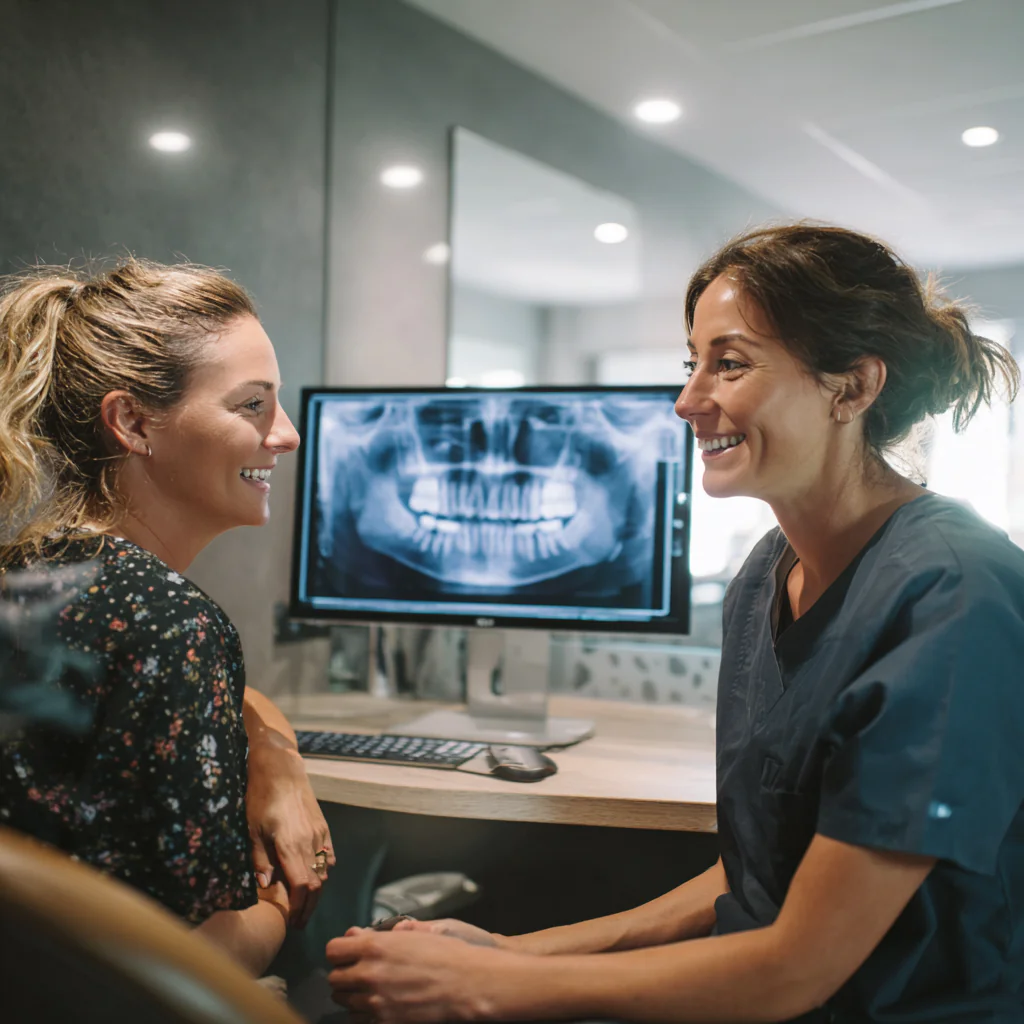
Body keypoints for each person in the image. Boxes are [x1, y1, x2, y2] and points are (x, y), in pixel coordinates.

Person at [324, 223, 1024, 1023]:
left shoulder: (957, 595)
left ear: (853, 388)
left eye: (728, 364)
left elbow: (798, 967)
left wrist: (486, 987)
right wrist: (508, 951)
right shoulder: (766, 574)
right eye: (690, 364)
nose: (687, 400)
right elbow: (755, 874)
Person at [0, 258, 335, 975]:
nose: (287, 434)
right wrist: (281, 902)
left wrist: (274, 752)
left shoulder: (23, 575)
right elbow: (191, 959)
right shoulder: (172, 623)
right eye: (252, 405)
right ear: (132, 422)